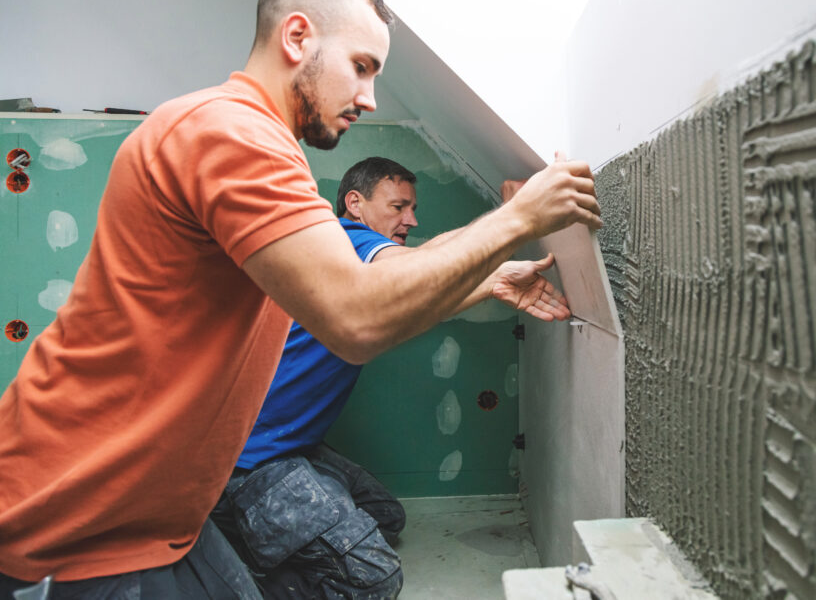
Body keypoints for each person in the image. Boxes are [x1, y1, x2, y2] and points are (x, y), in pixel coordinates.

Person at [0, 0, 600, 598]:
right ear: (296, 38)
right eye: (362, 66)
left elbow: (379, 273)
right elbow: (357, 318)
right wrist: (516, 217)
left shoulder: (262, 145)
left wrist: (486, 273)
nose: (369, 97)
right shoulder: (231, 134)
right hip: (76, 513)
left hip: (161, 508)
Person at [212, 156, 569, 598]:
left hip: (293, 445)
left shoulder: (358, 262)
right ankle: (232, 558)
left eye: (412, 208)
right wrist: (515, 222)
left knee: (385, 516)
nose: (411, 218)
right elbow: (417, 272)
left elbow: (423, 261)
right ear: (355, 203)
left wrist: (494, 275)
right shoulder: (343, 240)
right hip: (251, 461)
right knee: (372, 577)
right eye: (399, 207)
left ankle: (272, 531)